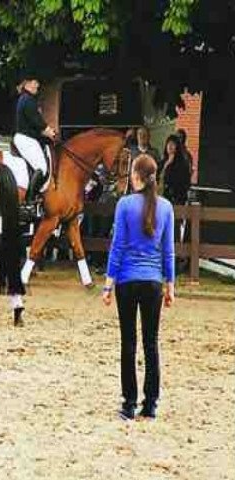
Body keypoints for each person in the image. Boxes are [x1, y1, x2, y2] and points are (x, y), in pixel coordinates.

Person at [102, 154, 175, 421]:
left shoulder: (124, 205)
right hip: (153, 282)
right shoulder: (166, 207)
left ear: (136, 176)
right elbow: (168, 251)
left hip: (127, 281)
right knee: (151, 343)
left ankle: (129, 403)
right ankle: (151, 404)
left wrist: (108, 284)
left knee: (128, 343)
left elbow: (118, 246)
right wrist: (170, 285)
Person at [13, 69, 56, 208]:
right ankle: (29, 201)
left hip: (28, 137)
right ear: (27, 84)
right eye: (34, 82)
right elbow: (37, 122)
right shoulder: (27, 100)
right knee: (42, 167)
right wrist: (49, 131)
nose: (37, 84)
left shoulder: (27, 99)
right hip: (26, 139)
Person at [160, 135, 191, 205]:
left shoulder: (182, 164)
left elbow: (186, 183)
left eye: (173, 144)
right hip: (163, 197)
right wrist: (167, 164)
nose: (170, 146)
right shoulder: (162, 162)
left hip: (177, 199)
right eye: (168, 143)